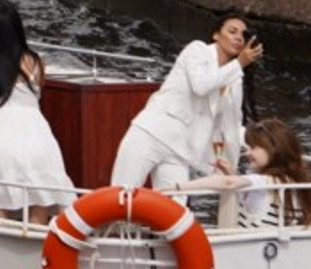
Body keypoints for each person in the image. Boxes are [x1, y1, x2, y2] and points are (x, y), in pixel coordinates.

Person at [110, 12, 261, 190]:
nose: (238, 38)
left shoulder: (235, 79)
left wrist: (260, 142)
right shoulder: (197, 50)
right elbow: (201, 85)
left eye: (243, 35)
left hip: (180, 151)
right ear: (216, 35)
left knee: (174, 210)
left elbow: (230, 125)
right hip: (150, 134)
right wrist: (239, 64)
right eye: (232, 31)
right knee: (121, 196)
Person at [0, 0, 74, 221]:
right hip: (36, 133)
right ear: (18, 28)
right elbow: (40, 88)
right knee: (41, 201)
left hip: (0, 134)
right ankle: (36, 249)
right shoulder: (37, 61)